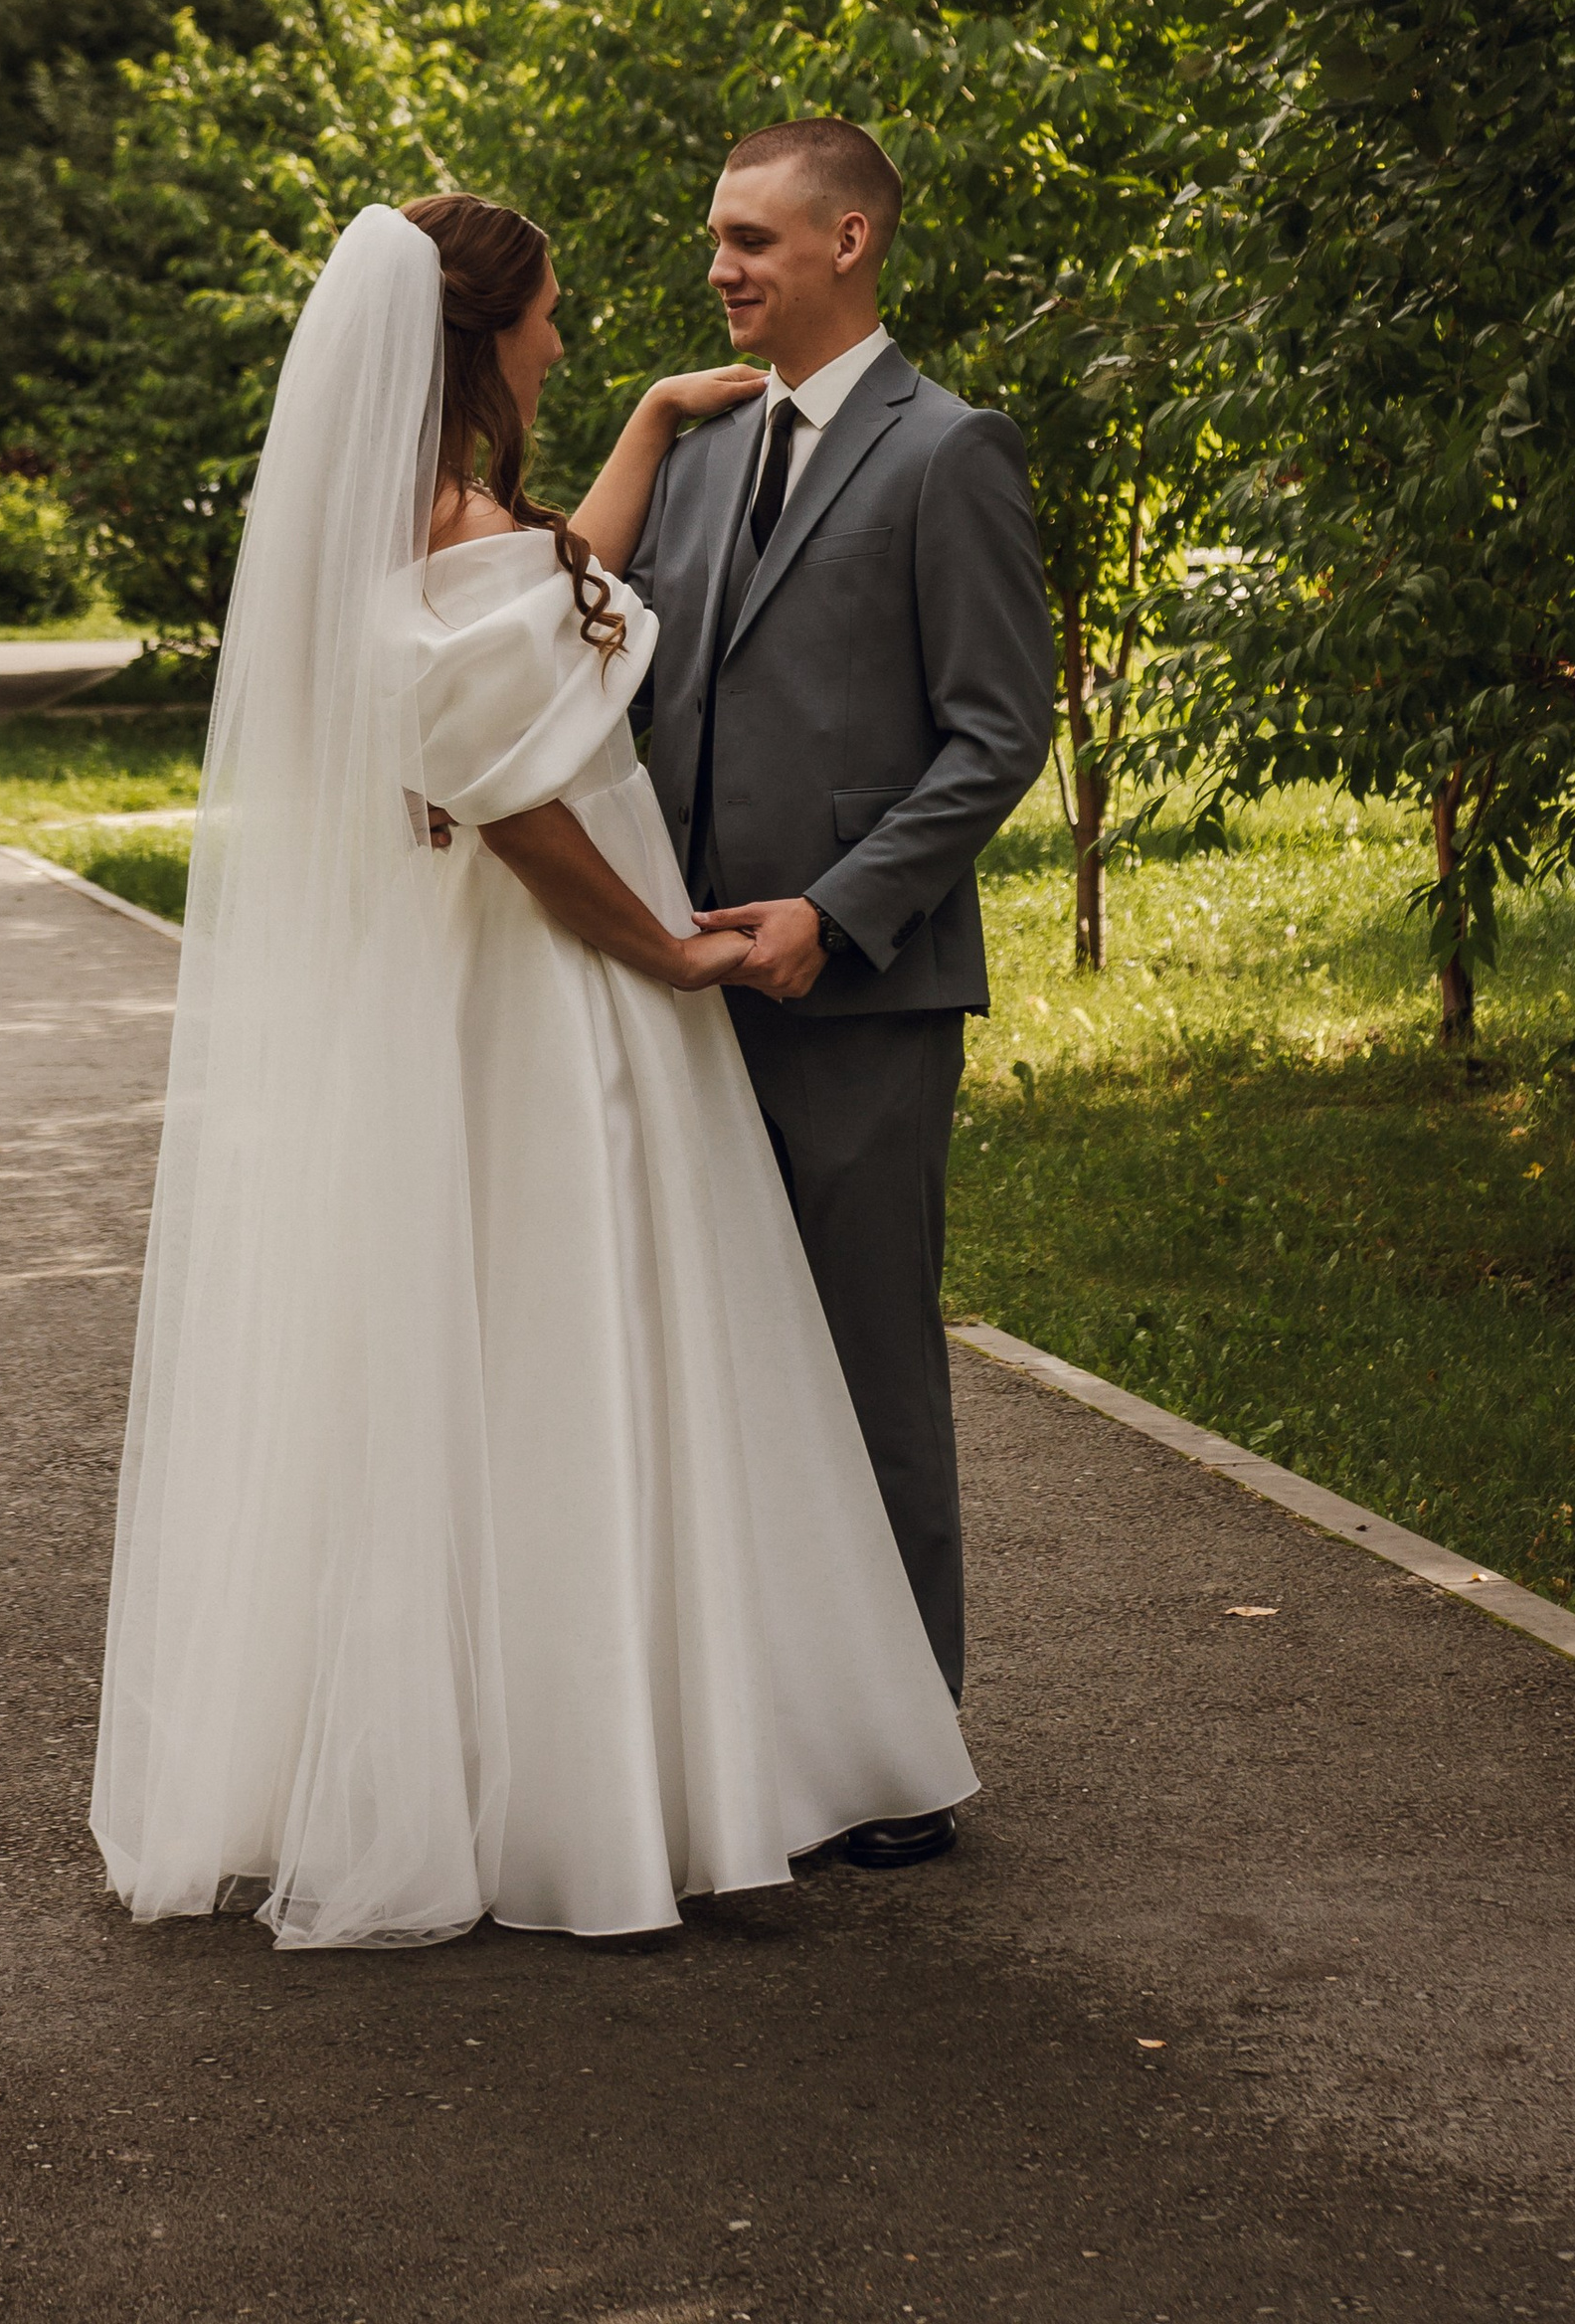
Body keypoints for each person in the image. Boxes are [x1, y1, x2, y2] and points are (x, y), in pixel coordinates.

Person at [90, 196, 975, 1953]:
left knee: (510, 1334)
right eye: (552, 318)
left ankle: (558, 1737)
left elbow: (543, 591)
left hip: (488, 978)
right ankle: (604, 1766)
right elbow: (506, 797)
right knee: (587, 1325)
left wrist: (649, 424)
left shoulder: (428, 513)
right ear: (479, 335)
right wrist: (653, 948)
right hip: (556, 974)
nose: (567, 344)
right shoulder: (435, 513)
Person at [628, 119, 1056, 1867]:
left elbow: (997, 731)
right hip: (678, 986)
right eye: (714, 239)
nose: (721, 267)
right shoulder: (708, 445)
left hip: (860, 998)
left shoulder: (950, 451)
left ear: (851, 237)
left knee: (869, 1372)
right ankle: (764, 1723)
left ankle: (902, 1754)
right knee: (720, 1370)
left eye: (751, 239)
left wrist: (836, 908)